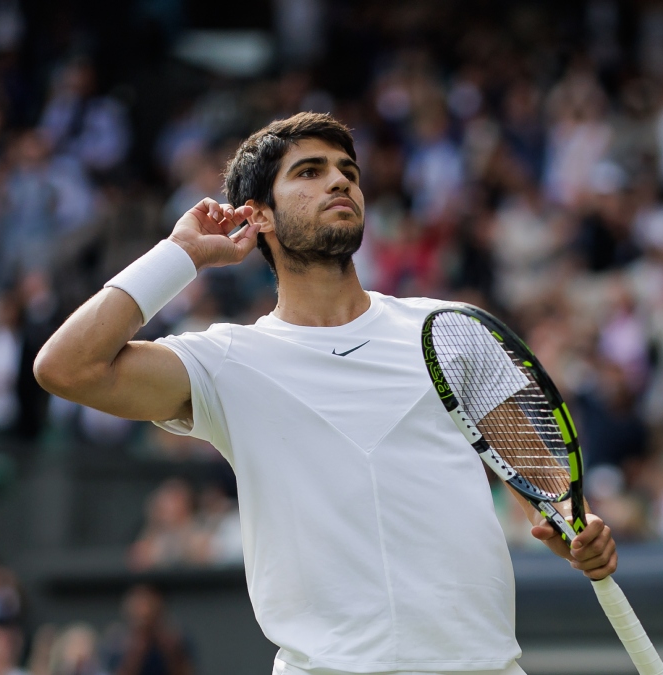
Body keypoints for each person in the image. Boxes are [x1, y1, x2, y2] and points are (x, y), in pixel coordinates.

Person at [34, 112, 618, 675]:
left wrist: (579, 535)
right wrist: (179, 257)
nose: (340, 179)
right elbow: (66, 368)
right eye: (309, 171)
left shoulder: (454, 330)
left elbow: (551, 497)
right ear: (256, 216)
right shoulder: (225, 361)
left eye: (348, 171)